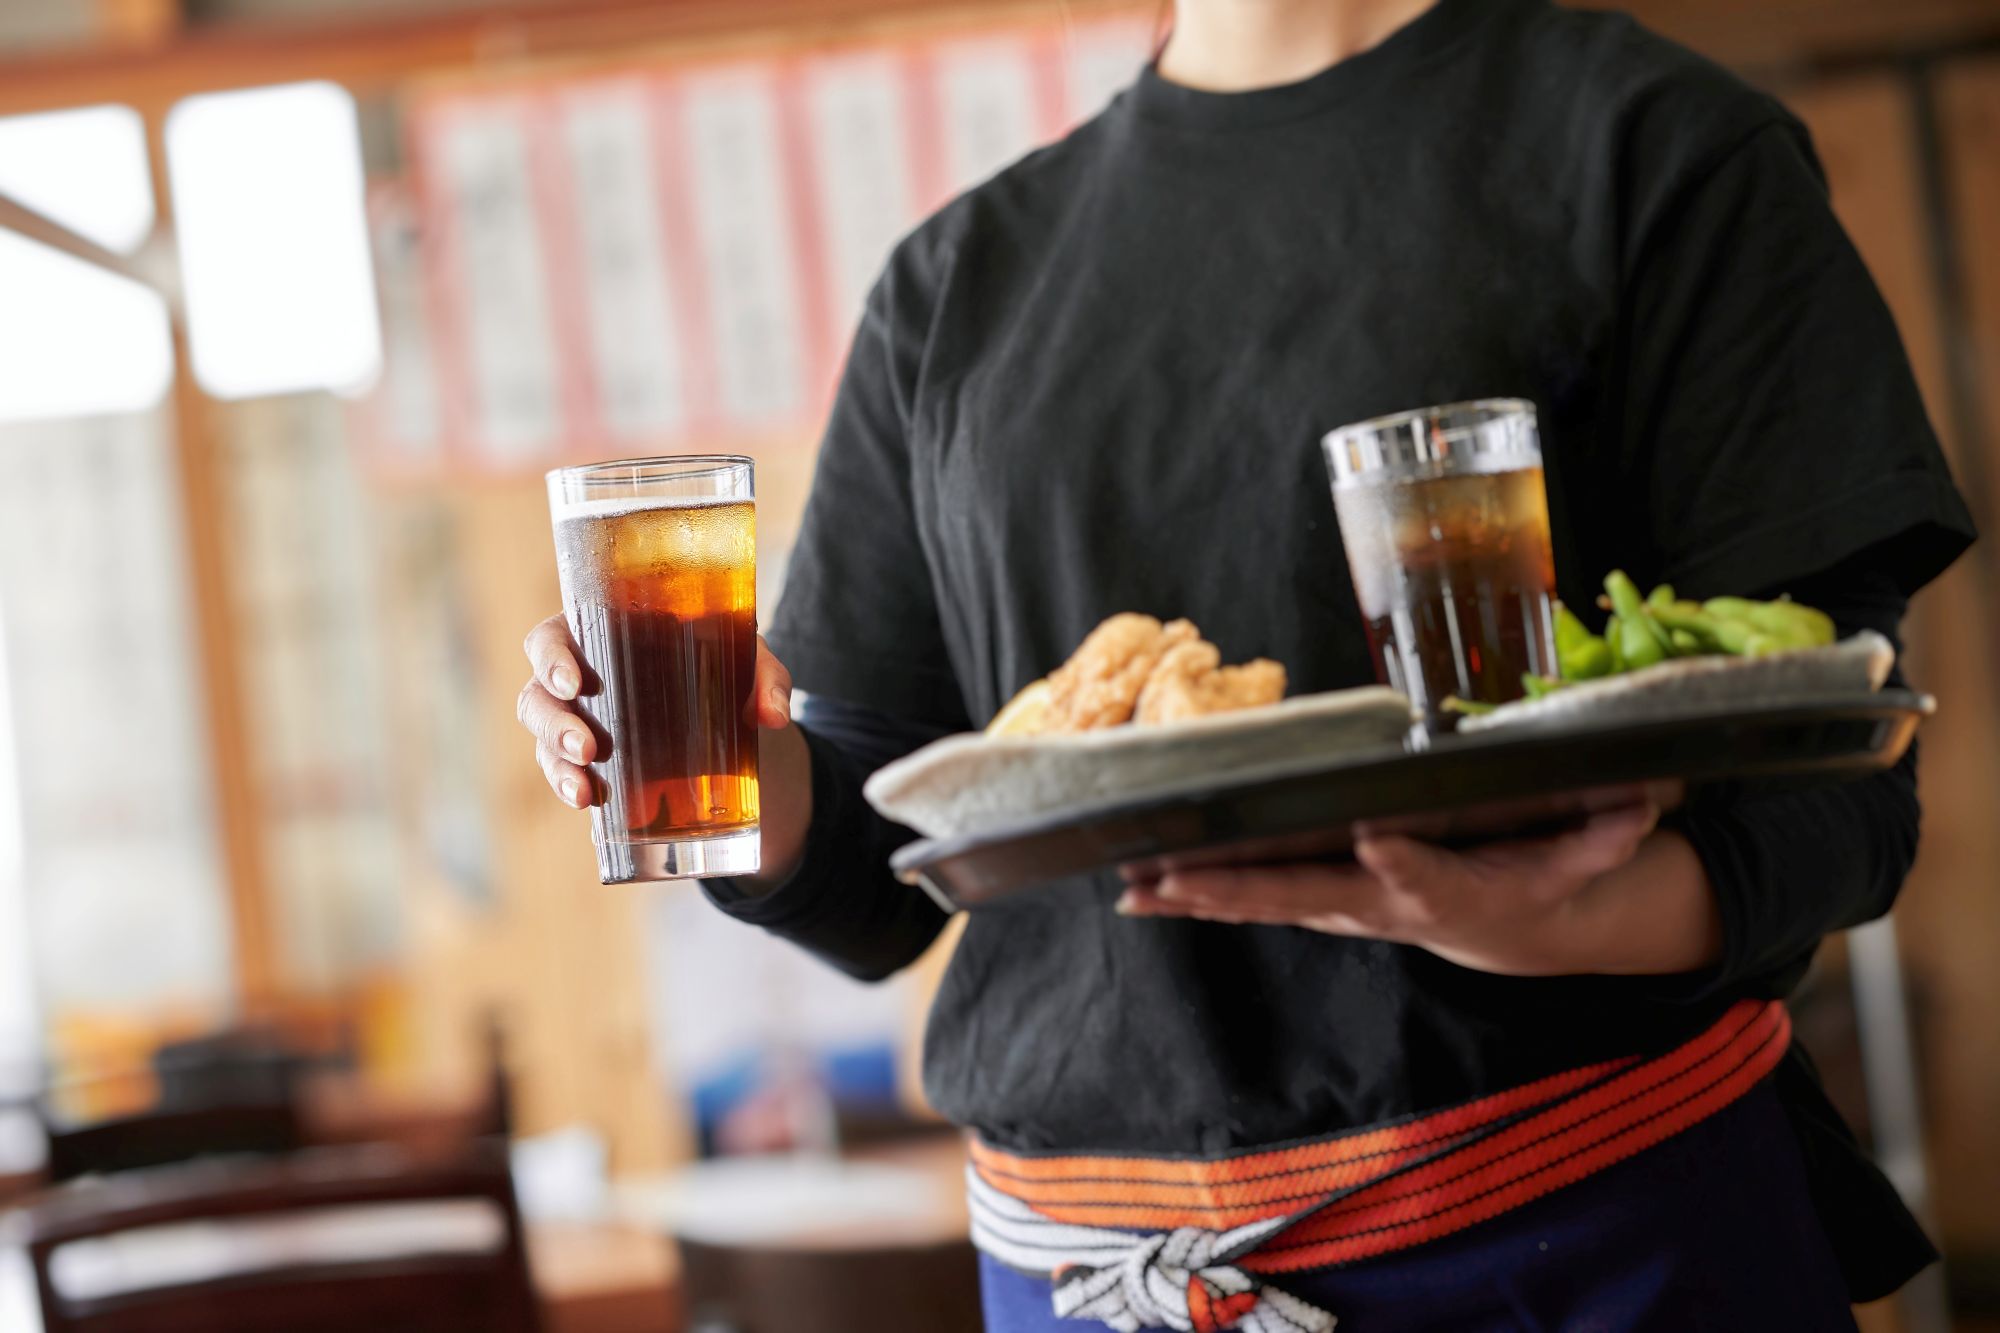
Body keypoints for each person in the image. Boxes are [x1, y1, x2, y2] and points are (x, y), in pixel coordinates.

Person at [518, 0, 1977, 1326]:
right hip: (1082, 1287)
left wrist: (1556, 914)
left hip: (1587, 1246)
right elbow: (872, 870)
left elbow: (1843, 790)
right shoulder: (956, 288)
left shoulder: (1658, 148)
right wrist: (727, 765)